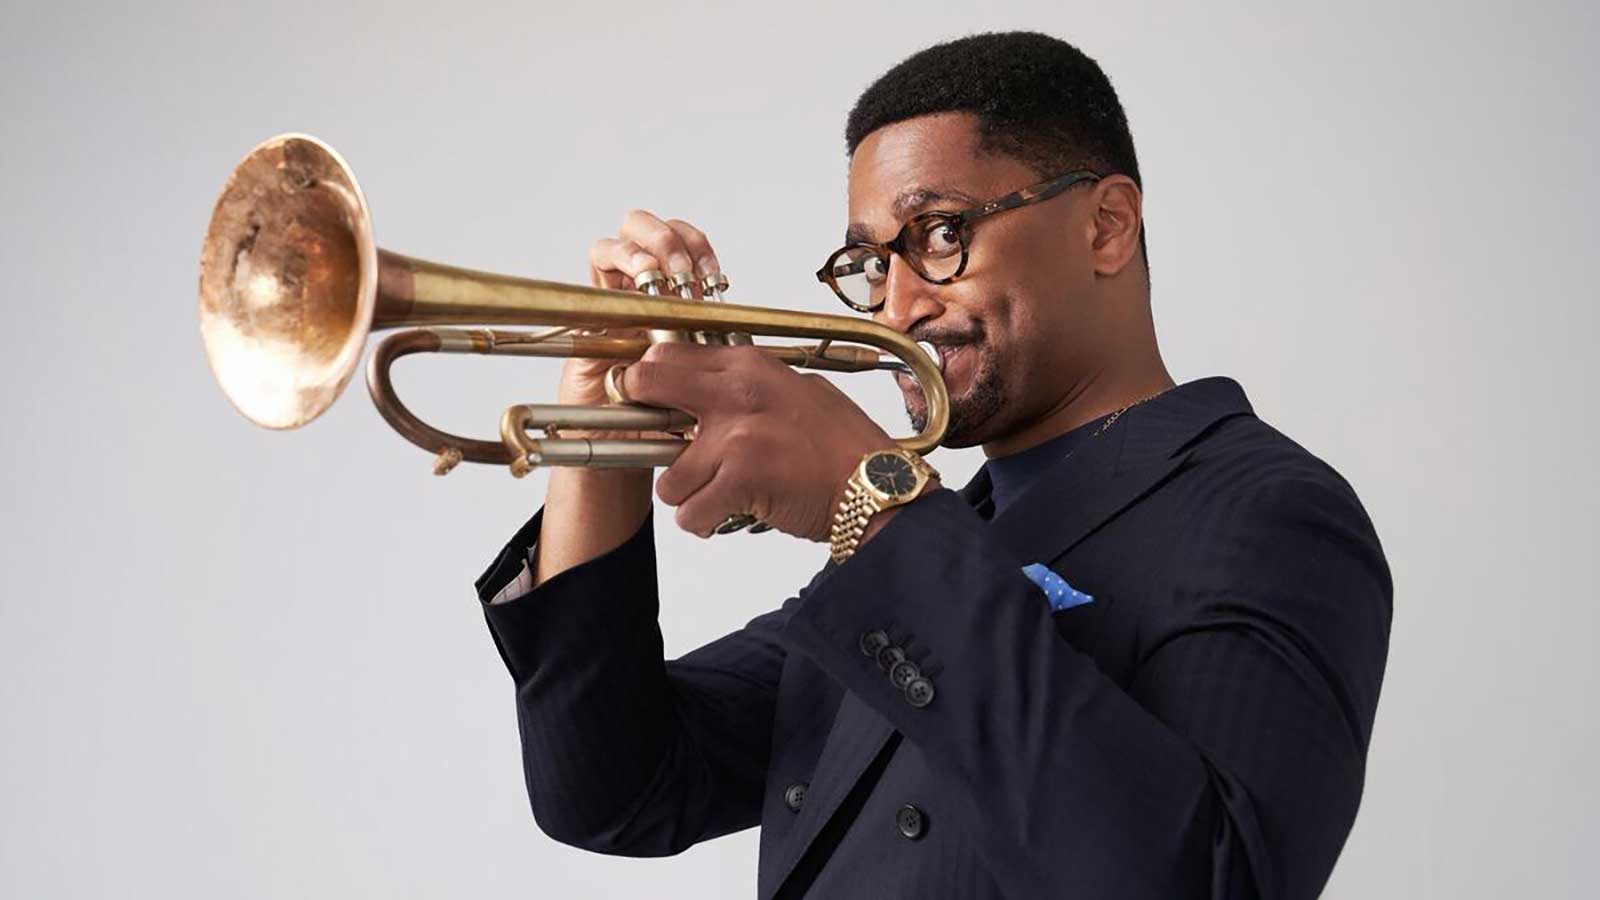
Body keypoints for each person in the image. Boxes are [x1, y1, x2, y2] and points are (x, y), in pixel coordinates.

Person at [474, 31, 1392, 900]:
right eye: (871, 263)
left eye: (942, 234)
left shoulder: (1268, 509)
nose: (897, 307)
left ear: (1106, 227)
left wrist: (868, 500)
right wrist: (604, 429)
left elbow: (1210, 880)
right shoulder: (937, 537)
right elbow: (614, 788)